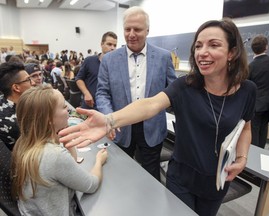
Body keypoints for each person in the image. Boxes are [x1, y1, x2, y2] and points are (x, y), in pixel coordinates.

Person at [59, 18, 256, 215]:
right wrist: (110, 120)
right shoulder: (185, 86)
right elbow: (150, 104)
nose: (202, 52)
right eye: (198, 45)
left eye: (213, 45)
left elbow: (245, 127)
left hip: (217, 180)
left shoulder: (247, 90)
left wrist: (242, 157)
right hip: (182, 178)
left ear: (232, 53)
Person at [96, 6, 176, 181]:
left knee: (151, 176)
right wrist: (109, 117)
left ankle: (151, 206)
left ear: (147, 30)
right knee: (119, 173)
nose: (131, 34)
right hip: (120, 127)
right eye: (127, 29)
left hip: (153, 128)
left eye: (137, 29)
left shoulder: (163, 57)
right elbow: (102, 92)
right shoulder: (109, 59)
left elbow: (174, 90)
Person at [11, 85, 108, 216]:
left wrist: (67, 139)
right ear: (49, 119)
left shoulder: (23, 142)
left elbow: (69, 167)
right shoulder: (54, 155)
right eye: (63, 107)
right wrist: (99, 161)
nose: (68, 109)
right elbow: (91, 185)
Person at [76, 31, 117, 109]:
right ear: (101, 44)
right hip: (90, 106)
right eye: (109, 44)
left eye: (115, 45)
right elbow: (79, 79)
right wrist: (86, 93)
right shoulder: (89, 60)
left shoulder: (117, 65)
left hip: (107, 108)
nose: (112, 48)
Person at [0, 62, 36, 150]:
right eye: (28, 80)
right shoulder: (18, 123)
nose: (33, 83)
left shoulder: (3, 99)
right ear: (16, 88)